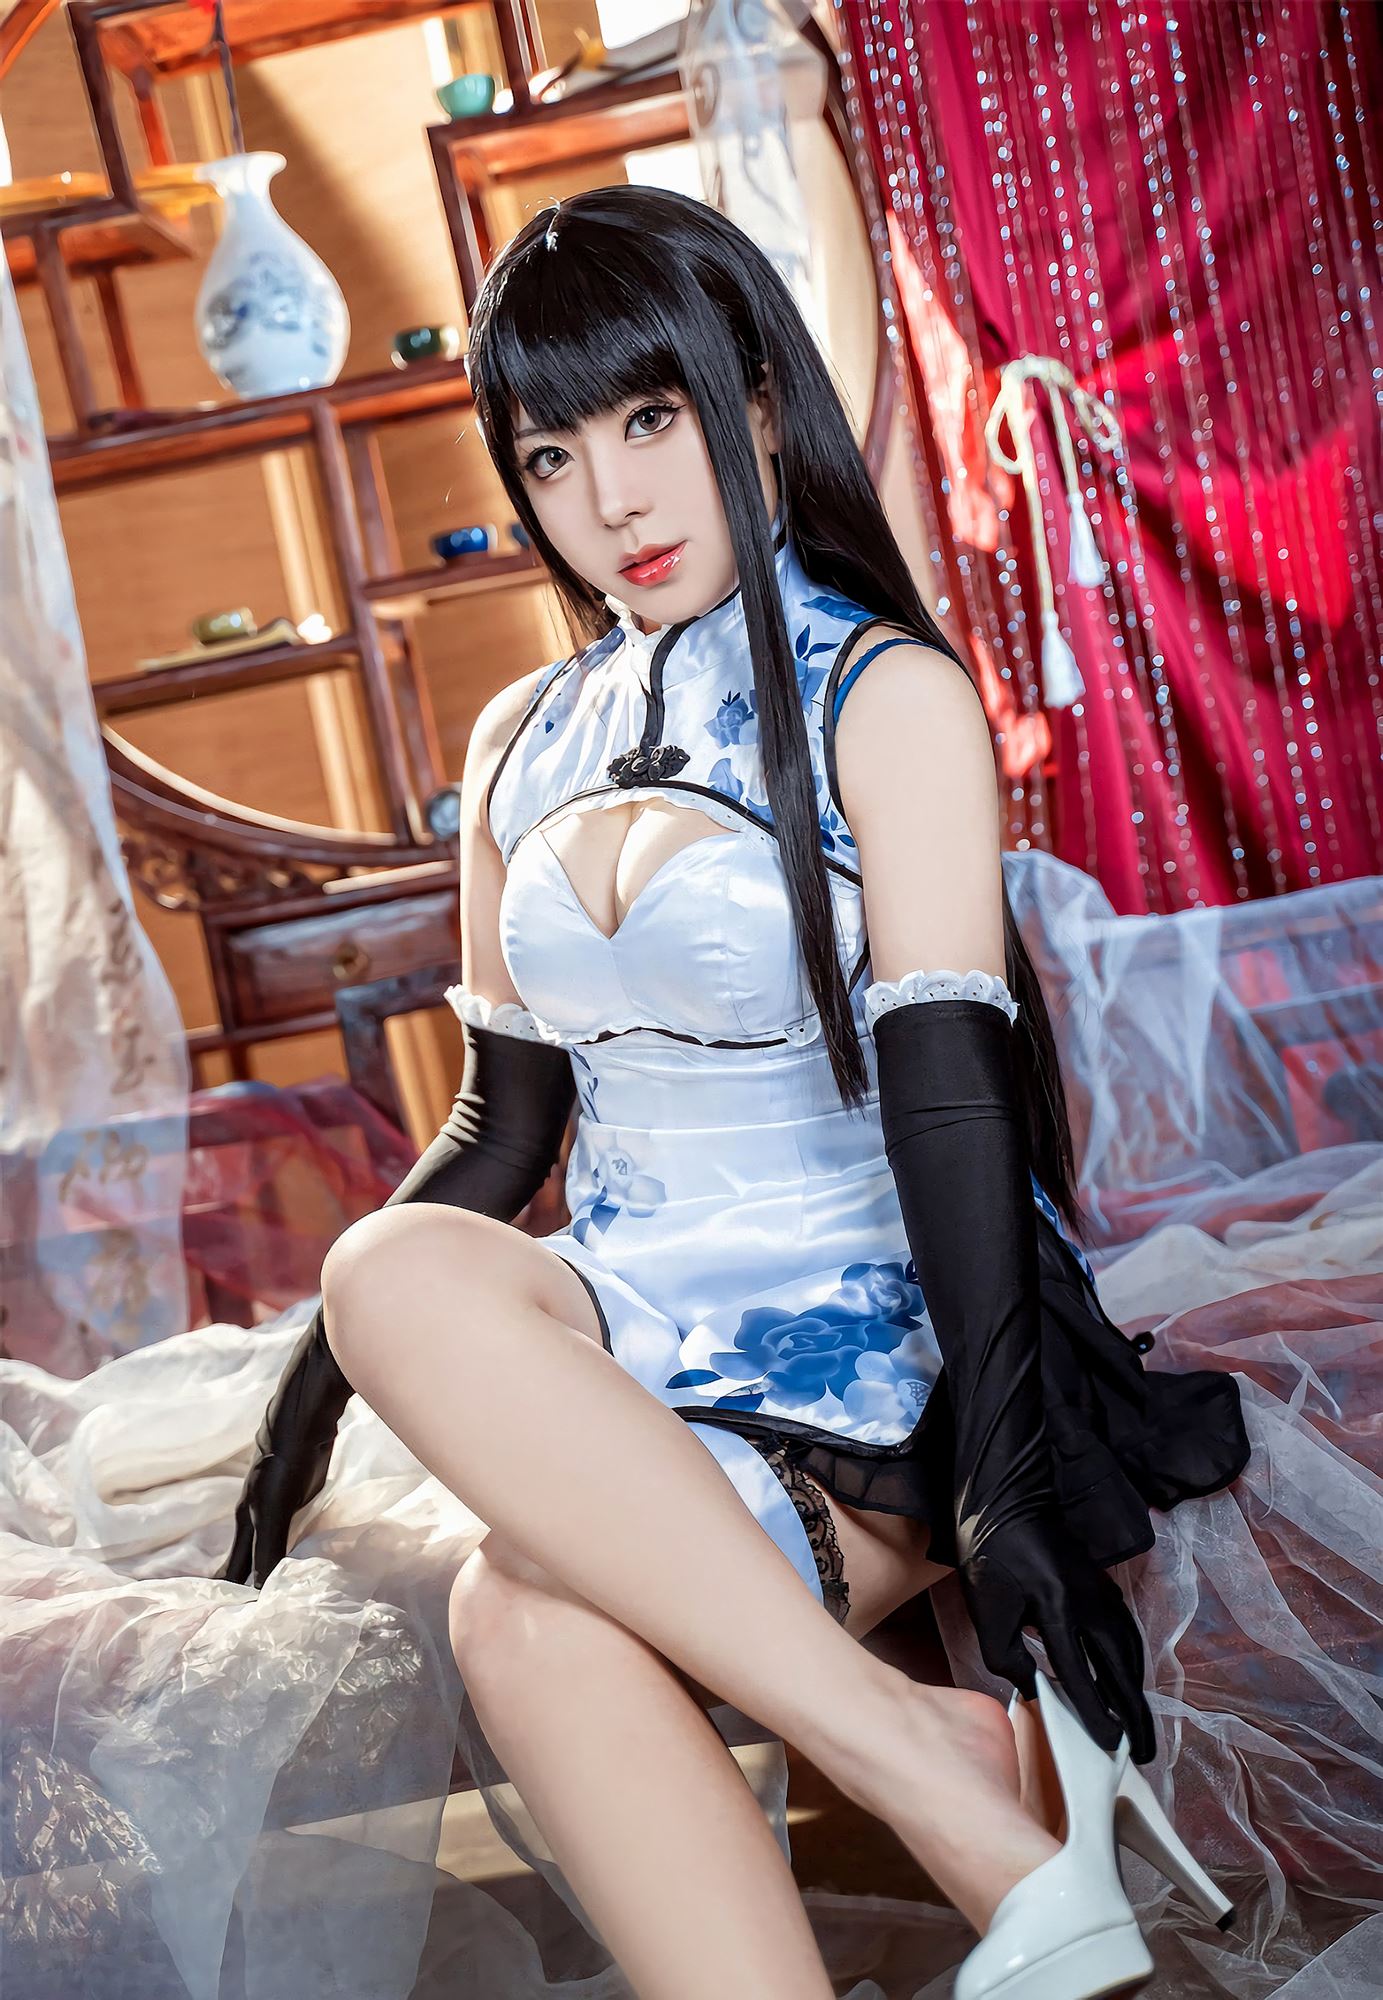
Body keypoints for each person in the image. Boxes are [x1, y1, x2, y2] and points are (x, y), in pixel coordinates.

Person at [222, 185, 1249, 2000]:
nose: (611, 502)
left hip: (862, 1350)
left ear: (760, 404)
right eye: (552, 457)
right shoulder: (520, 740)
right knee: (386, 1271)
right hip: (625, 1329)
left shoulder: (886, 696)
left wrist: (1006, 1493)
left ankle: (940, 1777)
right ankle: (933, 1765)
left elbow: (956, 1115)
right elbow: (501, 1133)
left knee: (517, 1614)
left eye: (651, 420)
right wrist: (320, 1373)